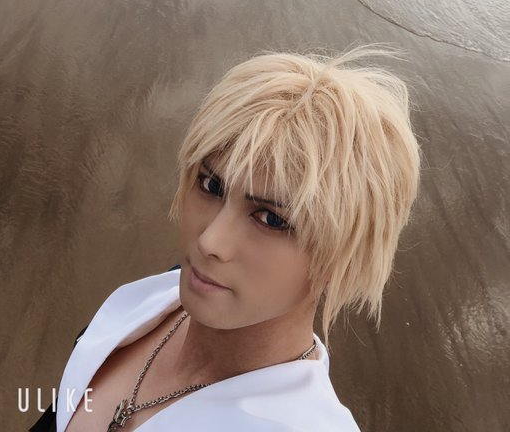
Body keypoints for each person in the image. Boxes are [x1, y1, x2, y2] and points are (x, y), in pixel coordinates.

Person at [30, 45, 420, 431]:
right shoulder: (159, 301)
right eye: (211, 185)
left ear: (347, 253)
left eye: (271, 218)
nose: (209, 242)